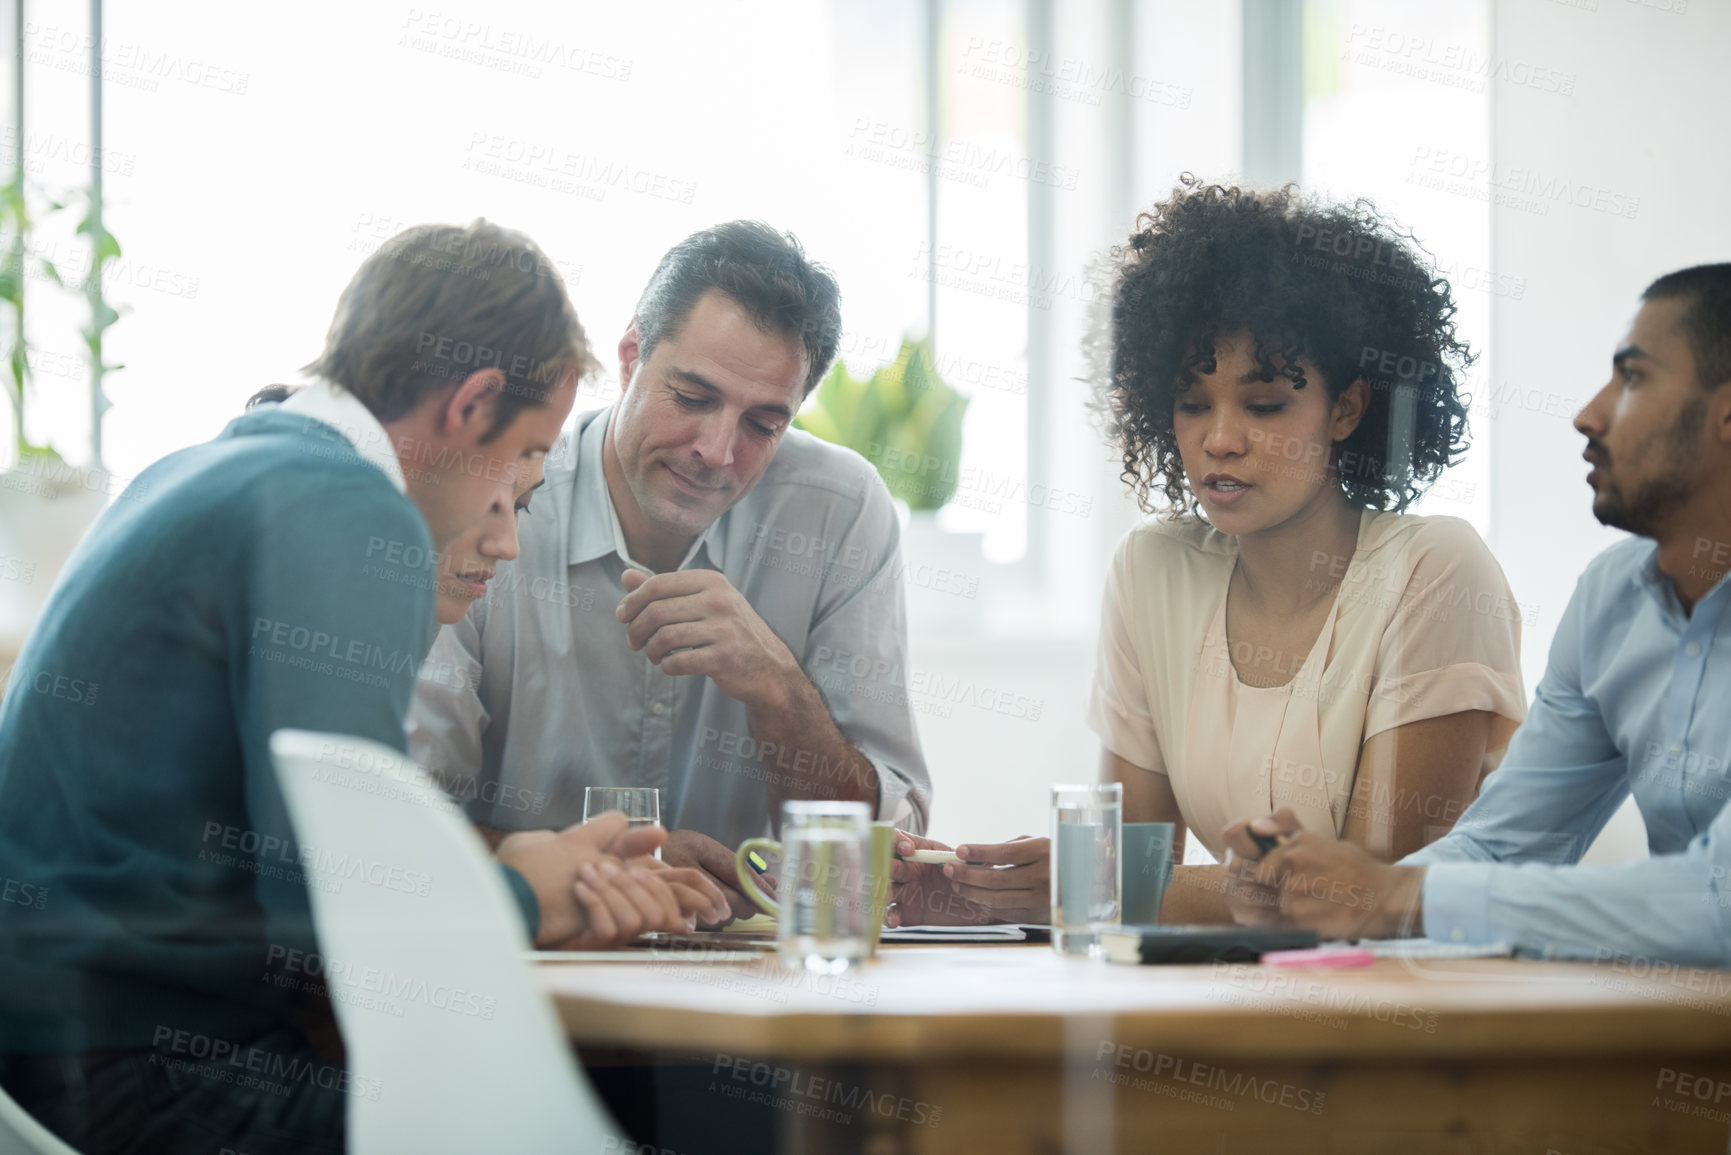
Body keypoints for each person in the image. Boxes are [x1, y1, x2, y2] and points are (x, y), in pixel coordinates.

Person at [0, 221, 726, 1155]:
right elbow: (334, 916)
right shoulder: (349, 509)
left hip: (57, 1061)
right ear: (472, 403)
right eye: (524, 458)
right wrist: (526, 893)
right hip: (152, 1083)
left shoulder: (201, 468)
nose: (510, 515)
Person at [892, 178, 1527, 927]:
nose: (1218, 439)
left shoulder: (1434, 571)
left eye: (1263, 405)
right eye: (1191, 403)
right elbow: (1127, 878)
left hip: (1420, 1015)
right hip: (1237, 1002)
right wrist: (978, 894)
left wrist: (1086, 884)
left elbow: (1365, 894)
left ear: (1348, 408)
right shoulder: (1151, 570)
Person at [409, 220, 932, 922]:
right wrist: (620, 872)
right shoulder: (497, 497)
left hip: (760, 999)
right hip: (535, 981)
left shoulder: (838, 511)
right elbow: (405, 825)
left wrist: (779, 688)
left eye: (762, 425)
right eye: (691, 397)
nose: (717, 451)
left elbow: (882, 856)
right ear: (629, 357)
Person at [1224, 264, 1731, 966]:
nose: (1587, 414)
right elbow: (1502, 844)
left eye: (1633, 378)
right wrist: (1328, 889)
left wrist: (1400, 898)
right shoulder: (1612, 600)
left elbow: (1718, 903)